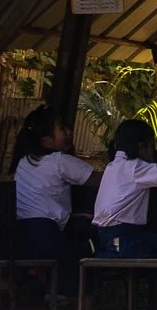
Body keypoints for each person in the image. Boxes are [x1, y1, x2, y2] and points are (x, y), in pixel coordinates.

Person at [89, 118, 157, 258]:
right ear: (142, 147)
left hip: (106, 238)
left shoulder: (112, 166)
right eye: (152, 147)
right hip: (122, 239)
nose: (154, 152)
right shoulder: (135, 167)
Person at [10, 108, 94, 263]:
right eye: (62, 129)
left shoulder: (24, 162)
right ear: (47, 141)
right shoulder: (59, 161)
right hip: (46, 236)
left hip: (19, 236)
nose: (69, 132)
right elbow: (100, 180)